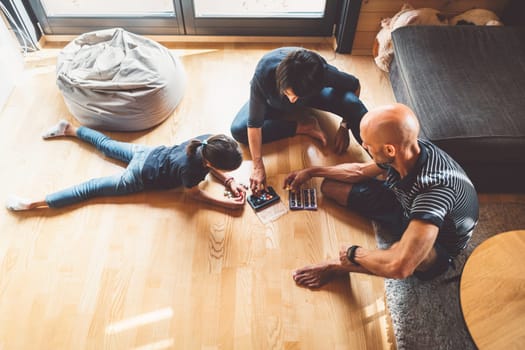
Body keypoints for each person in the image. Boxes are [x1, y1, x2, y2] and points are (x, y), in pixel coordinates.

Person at [284, 103, 479, 288]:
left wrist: (354, 255)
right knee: (330, 188)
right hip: (405, 204)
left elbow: (400, 267)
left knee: (401, 255)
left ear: (389, 149)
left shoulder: (434, 192)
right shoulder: (407, 149)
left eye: (367, 145)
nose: (365, 147)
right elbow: (359, 171)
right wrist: (312, 171)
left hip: (439, 241)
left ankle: (336, 268)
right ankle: (390, 244)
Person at [6, 120, 246, 211]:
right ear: (209, 162)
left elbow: (211, 163)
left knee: (105, 144)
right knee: (90, 188)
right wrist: (227, 205)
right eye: (224, 169)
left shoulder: (207, 140)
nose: (223, 172)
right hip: (139, 177)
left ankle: (69, 129)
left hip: (147, 153)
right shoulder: (191, 170)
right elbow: (194, 195)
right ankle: (33, 204)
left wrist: (229, 180)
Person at [230, 47, 368, 193]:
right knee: (239, 131)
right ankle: (303, 126)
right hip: (273, 102)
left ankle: (385, 164)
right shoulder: (264, 71)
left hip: (312, 97)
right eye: (289, 93)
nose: (292, 100)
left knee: (352, 104)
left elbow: (355, 86)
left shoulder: (322, 72)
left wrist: (344, 125)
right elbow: (254, 125)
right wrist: (258, 166)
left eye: (296, 96)